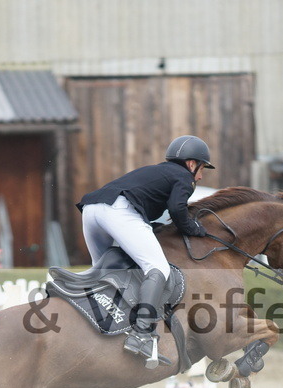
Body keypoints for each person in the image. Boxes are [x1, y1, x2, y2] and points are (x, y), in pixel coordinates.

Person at [76, 135, 213, 362]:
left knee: (103, 272)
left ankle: (95, 323)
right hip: (118, 211)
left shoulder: (158, 171)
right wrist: (196, 229)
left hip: (92, 210)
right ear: (191, 164)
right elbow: (178, 210)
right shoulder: (183, 177)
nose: (200, 175)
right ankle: (141, 334)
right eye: (202, 169)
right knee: (158, 268)